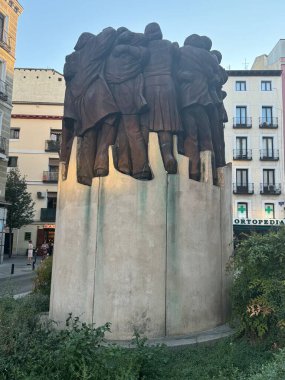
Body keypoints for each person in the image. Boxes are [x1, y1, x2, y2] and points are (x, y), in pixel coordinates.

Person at [142, 22, 182, 174]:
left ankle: (144, 160)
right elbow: (178, 59)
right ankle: (167, 155)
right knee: (165, 123)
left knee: (146, 122)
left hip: (149, 85)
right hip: (167, 83)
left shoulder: (144, 49)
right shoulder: (168, 45)